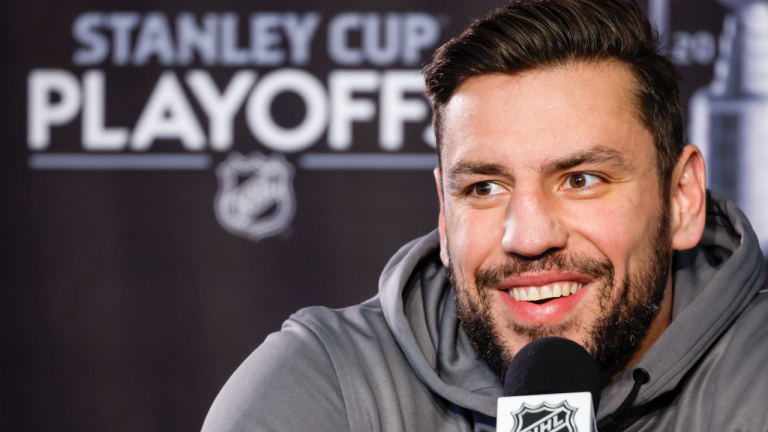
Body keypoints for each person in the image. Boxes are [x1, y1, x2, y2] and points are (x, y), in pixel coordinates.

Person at [202, 0, 768, 431]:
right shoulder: (326, 386)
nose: (528, 237)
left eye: (580, 180)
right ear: (445, 217)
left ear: (682, 199)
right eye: (485, 187)